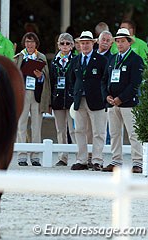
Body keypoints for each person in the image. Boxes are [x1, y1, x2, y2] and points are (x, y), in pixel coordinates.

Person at [102, 28, 144, 173]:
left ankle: (138, 163)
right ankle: (116, 161)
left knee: (133, 133)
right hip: (112, 102)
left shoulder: (136, 60)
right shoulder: (112, 59)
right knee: (114, 134)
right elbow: (104, 80)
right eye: (118, 41)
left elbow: (135, 83)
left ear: (129, 43)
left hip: (128, 103)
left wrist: (121, 98)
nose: (119, 44)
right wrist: (106, 95)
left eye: (122, 41)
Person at [68, 31, 108, 171]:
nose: (85, 45)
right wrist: (76, 93)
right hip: (80, 99)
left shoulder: (102, 60)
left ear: (93, 43)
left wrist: (104, 96)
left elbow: (106, 79)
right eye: (82, 43)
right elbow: (71, 79)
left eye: (87, 43)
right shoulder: (75, 60)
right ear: (79, 44)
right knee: (79, 130)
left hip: (97, 100)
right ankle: (82, 159)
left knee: (98, 132)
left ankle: (97, 160)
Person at [14, 32, 51, 166]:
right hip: (22, 94)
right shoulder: (19, 57)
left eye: (32, 42)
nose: (30, 44)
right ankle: (22, 156)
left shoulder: (41, 57)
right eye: (27, 42)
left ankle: (35, 156)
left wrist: (40, 75)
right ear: (24, 43)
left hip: (37, 94)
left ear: (36, 43)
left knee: (36, 126)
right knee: (21, 125)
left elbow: (46, 78)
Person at [50, 33, 76, 166]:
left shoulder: (76, 59)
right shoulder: (54, 61)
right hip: (58, 99)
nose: (64, 46)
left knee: (74, 130)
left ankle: (79, 156)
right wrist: (50, 101)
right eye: (62, 43)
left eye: (67, 43)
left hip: (71, 99)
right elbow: (51, 81)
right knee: (60, 130)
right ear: (58, 45)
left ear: (72, 46)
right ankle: (62, 157)